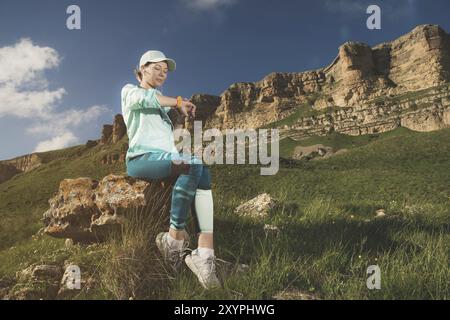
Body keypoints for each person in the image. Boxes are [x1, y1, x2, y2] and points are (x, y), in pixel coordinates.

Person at [121, 50, 221, 289]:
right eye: (157, 68)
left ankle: (205, 254)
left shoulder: (163, 109)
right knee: (193, 163)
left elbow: (159, 105)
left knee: (202, 171)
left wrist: (179, 110)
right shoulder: (129, 91)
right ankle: (173, 242)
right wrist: (177, 102)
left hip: (165, 158)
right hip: (141, 158)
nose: (162, 74)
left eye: (165, 72)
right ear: (142, 69)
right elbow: (148, 99)